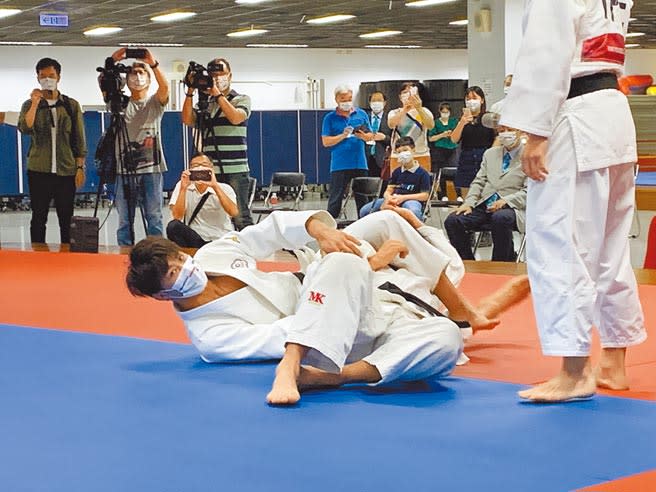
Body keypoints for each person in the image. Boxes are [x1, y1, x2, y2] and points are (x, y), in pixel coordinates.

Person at [126, 209, 528, 405]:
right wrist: (369, 264)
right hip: (332, 336)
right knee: (443, 338)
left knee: (384, 222)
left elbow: (271, 229)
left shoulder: (212, 255)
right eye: (175, 277)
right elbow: (288, 331)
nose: (186, 270)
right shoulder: (212, 338)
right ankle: (322, 374)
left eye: (181, 261)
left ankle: (464, 312)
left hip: (325, 280)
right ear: (163, 297)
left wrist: (319, 230)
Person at [500, 0, 646, 402]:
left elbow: (547, 53)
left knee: (561, 243)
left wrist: (536, 132)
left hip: (574, 114)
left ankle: (574, 372)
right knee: (610, 249)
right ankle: (614, 363)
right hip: (612, 110)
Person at [18, 57, 87, 244]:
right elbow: (25, 128)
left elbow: (79, 138)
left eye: (51, 75)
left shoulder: (71, 105)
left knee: (67, 217)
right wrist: (34, 103)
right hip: (39, 170)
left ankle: (67, 255)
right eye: (43, 76)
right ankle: (38, 256)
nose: (47, 79)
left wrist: (80, 167)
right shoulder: (30, 104)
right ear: (37, 78)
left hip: (66, 169)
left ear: (59, 77)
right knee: (39, 216)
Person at [182, 57, 254, 230]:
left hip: (235, 169)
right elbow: (187, 119)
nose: (216, 78)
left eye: (221, 73)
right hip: (210, 168)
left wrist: (217, 94)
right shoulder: (205, 103)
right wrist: (191, 90)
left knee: (239, 215)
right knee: (211, 211)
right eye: (213, 74)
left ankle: (250, 250)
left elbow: (236, 117)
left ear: (230, 75)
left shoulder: (241, 99)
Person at [107, 48, 168, 246]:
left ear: (149, 80)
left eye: (142, 73)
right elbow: (105, 84)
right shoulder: (120, 103)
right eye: (133, 72)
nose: (138, 76)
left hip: (152, 169)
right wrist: (113, 61)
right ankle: (124, 254)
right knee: (124, 219)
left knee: (154, 217)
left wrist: (153, 64)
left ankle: (156, 253)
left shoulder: (154, 103)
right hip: (123, 170)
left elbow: (165, 88)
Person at [444, 126, 527, 262]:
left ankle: (501, 264)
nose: (505, 134)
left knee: (500, 218)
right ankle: (467, 262)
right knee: (453, 220)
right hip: (485, 204)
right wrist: (469, 203)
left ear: (520, 131)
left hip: (512, 207)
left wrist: (505, 201)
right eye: (501, 131)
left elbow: (529, 191)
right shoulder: (490, 154)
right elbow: (479, 182)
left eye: (509, 130)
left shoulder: (529, 155)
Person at [321, 85, 374, 218]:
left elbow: (371, 136)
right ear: (336, 99)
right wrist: (342, 136)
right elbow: (326, 142)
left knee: (363, 199)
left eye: (349, 99)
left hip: (360, 162)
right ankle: (333, 225)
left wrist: (363, 136)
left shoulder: (361, 114)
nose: (346, 102)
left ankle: (365, 225)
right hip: (339, 164)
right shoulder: (330, 118)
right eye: (343, 99)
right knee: (335, 199)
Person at [166, 153, 238, 248]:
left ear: (212, 169)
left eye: (204, 165)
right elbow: (177, 217)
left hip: (220, 238)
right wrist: (183, 189)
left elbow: (233, 212)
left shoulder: (225, 188)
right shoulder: (182, 185)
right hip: (196, 238)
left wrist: (215, 186)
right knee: (173, 226)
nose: (200, 168)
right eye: (195, 166)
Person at [359, 136, 431, 220]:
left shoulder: (422, 173)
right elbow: (389, 189)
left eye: (405, 150)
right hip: (394, 198)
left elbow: (424, 195)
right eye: (399, 152)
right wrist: (388, 197)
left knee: (413, 212)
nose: (403, 154)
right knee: (365, 211)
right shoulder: (397, 172)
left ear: (413, 150)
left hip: (411, 200)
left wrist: (403, 198)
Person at [450, 86, 496, 195]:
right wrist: (462, 122)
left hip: (485, 157)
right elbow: (453, 139)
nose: (471, 101)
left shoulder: (488, 117)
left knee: (485, 191)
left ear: (482, 100)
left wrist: (492, 155)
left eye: (474, 98)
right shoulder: (462, 119)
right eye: (468, 99)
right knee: (466, 192)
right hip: (467, 158)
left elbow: (496, 138)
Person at [387, 82, 434, 172]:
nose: (408, 95)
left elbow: (430, 125)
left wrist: (419, 108)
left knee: (422, 183)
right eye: (405, 92)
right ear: (400, 97)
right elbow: (391, 124)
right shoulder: (394, 112)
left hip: (421, 154)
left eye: (411, 92)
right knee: (397, 183)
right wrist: (405, 109)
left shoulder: (424, 111)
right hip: (399, 155)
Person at [428, 102, 460, 201]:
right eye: (443, 112)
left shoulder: (454, 121)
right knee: (440, 173)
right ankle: (443, 195)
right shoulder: (435, 123)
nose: (445, 114)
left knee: (455, 172)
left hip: (452, 149)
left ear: (450, 112)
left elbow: (459, 133)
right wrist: (442, 135)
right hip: (439, 150)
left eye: (447, 112)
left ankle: (458, 195)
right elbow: (431, 138)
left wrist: (452, 134)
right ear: (440, 112)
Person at [365, 91, 392, 180]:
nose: (376, 103)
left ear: (384, 102)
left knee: (382, 187)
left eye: (379, 100)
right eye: (374, 100)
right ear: (369, 103)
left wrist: (384, 137)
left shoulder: (390, 118)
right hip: (365, 159)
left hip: (383, 159)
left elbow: (396, 140)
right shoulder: (364, 118)